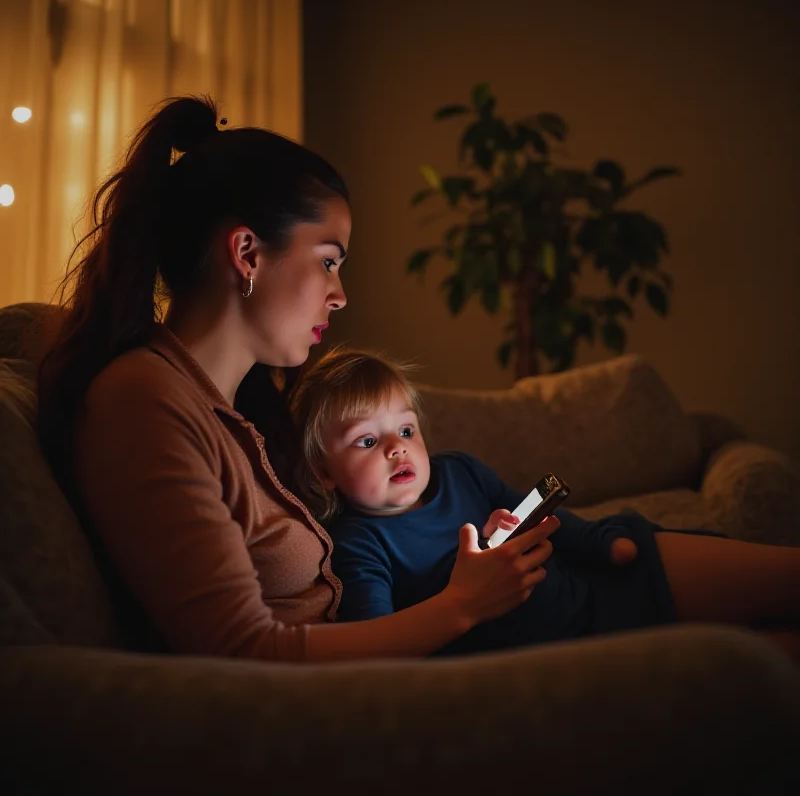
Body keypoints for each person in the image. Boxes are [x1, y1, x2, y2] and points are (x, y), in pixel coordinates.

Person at [36, 95, 555, 663]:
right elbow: (243, 650)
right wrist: (461, 607)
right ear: (247, 253)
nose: (340, 295)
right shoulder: (142, 401)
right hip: (326, 713)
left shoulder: (234, 409)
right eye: (329, 261)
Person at [289, 346, 800, 659]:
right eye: (366, 441)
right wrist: (458, 594)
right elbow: (384, 647)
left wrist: (602, 541)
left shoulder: (459, 470)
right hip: (573, 646)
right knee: (767, 665)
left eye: (404, 429)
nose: (397, 448)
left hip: (606, 578)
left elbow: (542, 512)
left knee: (781, 577)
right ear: (322, 472)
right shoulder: (359, 545)